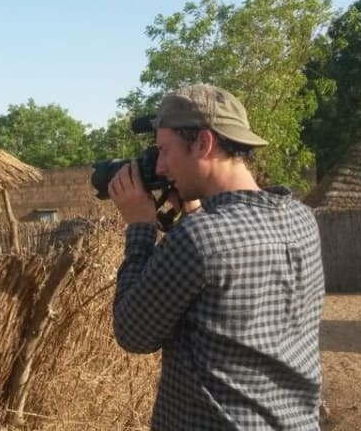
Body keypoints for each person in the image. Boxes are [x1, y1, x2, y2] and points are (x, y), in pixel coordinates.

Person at [108, 84, 325, 430]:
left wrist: (140, 228)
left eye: (163, 150)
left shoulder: (198, 239)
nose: (160, 166)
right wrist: (194, 213)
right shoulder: (301, 219)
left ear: (204, 143)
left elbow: (133, 333)